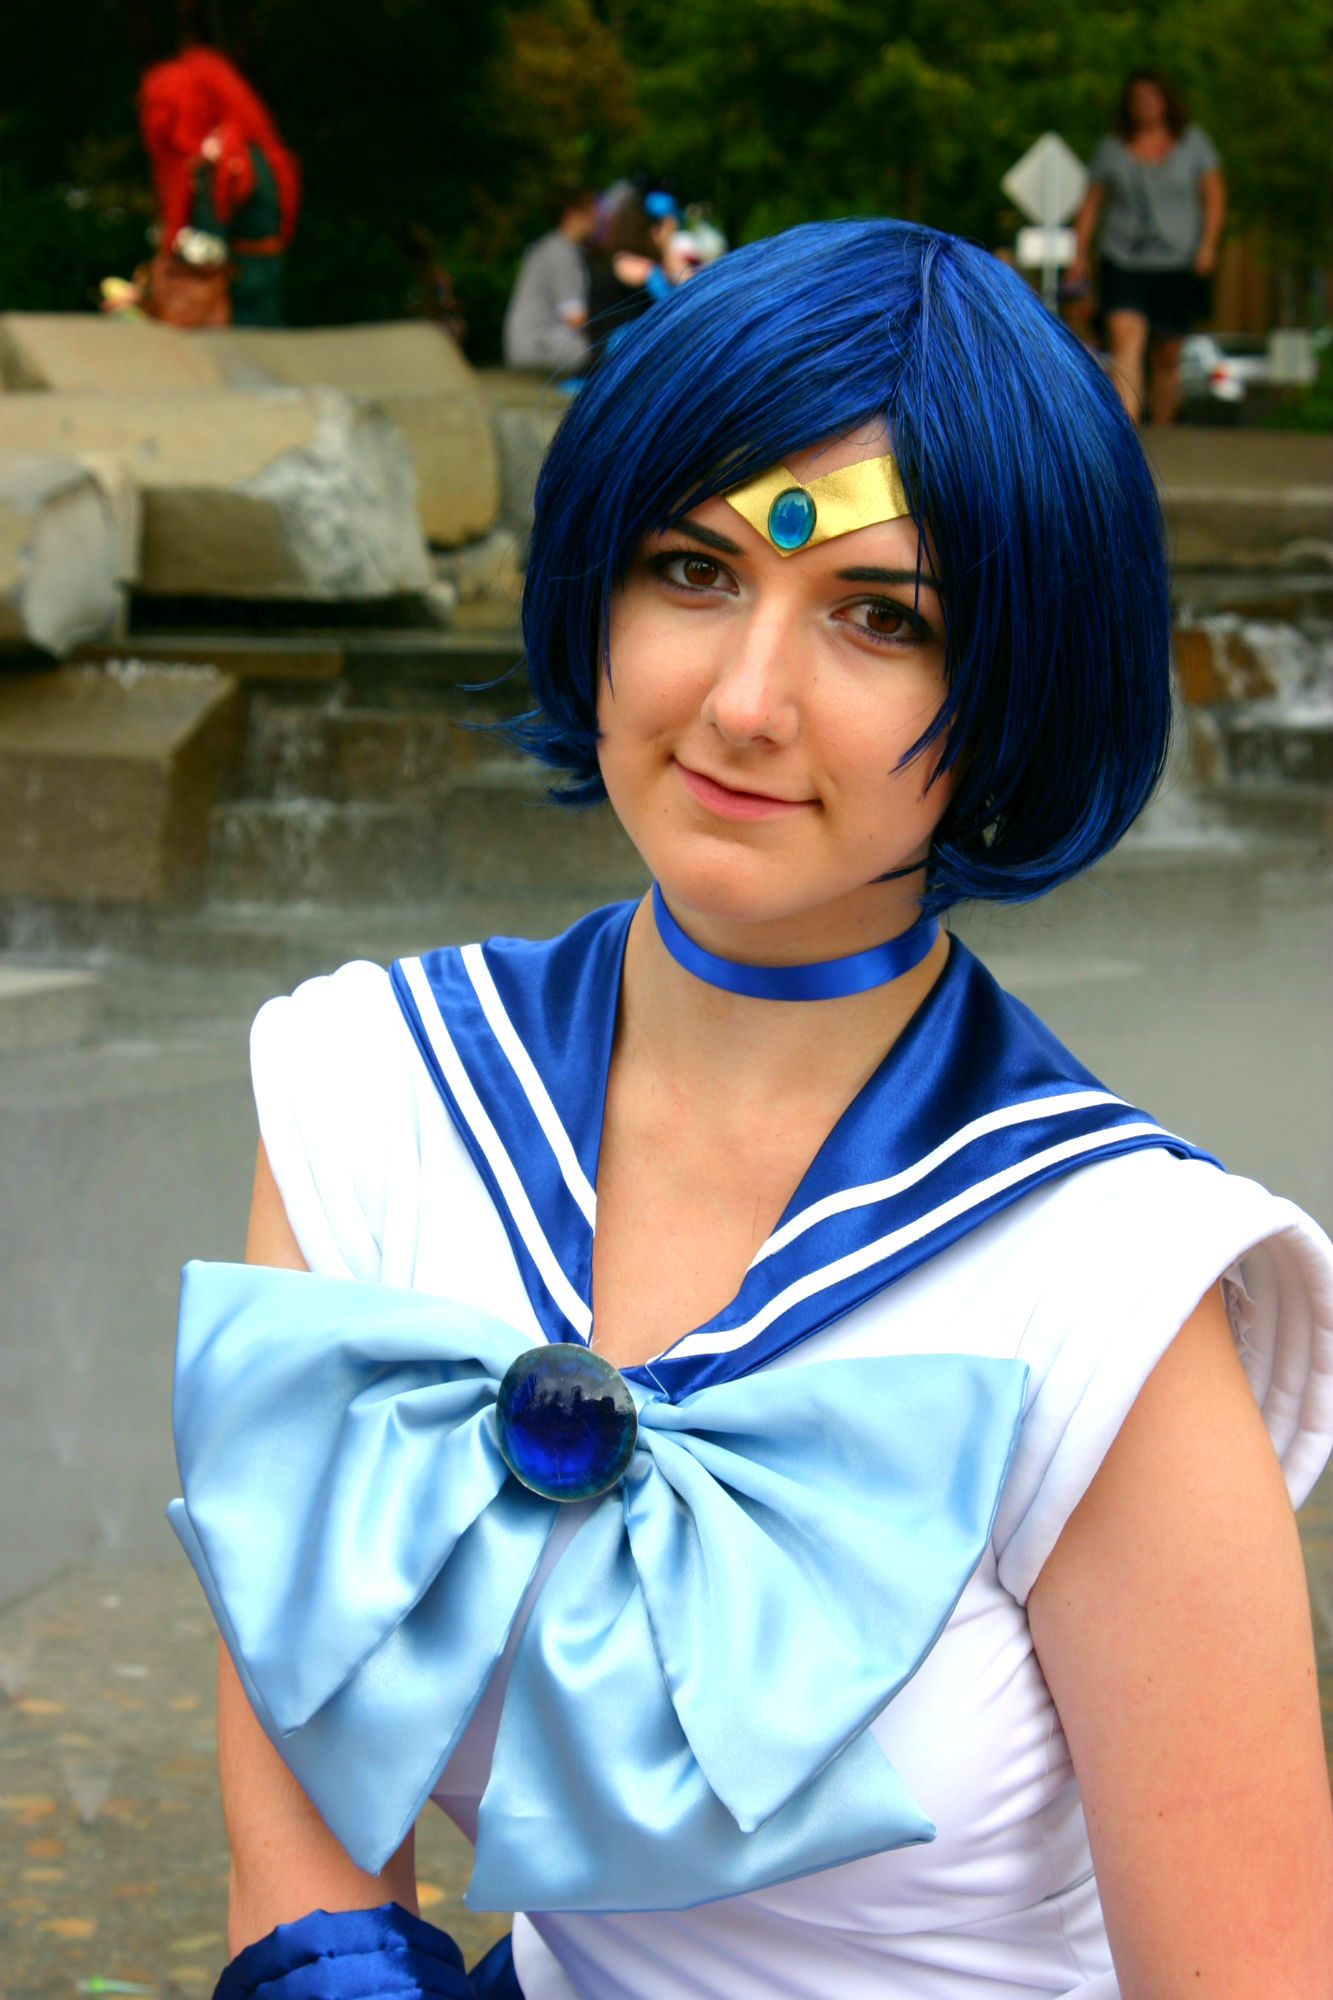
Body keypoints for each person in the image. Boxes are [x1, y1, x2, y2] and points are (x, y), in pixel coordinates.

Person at [171, 220, 1333, 2000]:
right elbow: (312, 1882)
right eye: (692, 570)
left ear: (1011, 689)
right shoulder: (374, 1096)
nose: (741, 701)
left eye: (881, 617)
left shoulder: (1103, 1289)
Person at [1069, 68, 1225, 425]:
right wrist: (1079, 255)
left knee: (1167, 353)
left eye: (1152, 97)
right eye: (1137, 98)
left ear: (1166, 101)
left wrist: (1208, 244)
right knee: (1126, 341)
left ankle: (1164, 426)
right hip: (1123, 258)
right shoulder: (1111, 148)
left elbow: (1214, 195)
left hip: (1178, 261)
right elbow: (1091, 204)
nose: (1145, 105)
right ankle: (1127, 430)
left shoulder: (1193, 143)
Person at [137, 46, 300, 328]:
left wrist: (146, 288)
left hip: (236, 297)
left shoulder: (223, 165)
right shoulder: (248, 156)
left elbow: (206, 246)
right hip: (260, 280)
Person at [502, 192, 599, 375]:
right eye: (592, 211)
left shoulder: (558, 248)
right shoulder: (559, 252)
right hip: (538, 344)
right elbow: (574, 317)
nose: (597, 217)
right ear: (572, 214)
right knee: (606, 349)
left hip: (534, 342)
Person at [586, 190, 679, 361]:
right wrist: (666, 247)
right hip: (619, 358)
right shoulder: (644, 269)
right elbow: (678, 304)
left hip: (602, 357)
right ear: (652, 231)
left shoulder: (615, 262)